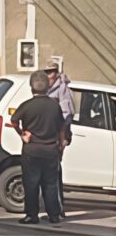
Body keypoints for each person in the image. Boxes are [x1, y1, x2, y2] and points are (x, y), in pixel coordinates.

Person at [11, 71, 66, 225]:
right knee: (50, 183)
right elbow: (62, 127)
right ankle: (54, 215)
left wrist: (22, 134)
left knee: (31, 183)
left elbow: (14, 120)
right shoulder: (55, 105)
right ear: (48, 87)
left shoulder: (27, 106)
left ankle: (32, 215)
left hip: (32, 150)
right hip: (50, 150)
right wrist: (61, 143)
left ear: (31, 87)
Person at [44, 59, 74, 217]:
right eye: (46, 72)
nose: (48, 75)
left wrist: (63, 137)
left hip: (56, 136)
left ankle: (58, 208)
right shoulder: (46, 89)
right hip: (47, 136)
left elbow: (66, 115)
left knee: (54, 173)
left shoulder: (62, 89)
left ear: (56, 73)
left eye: (51, 72)